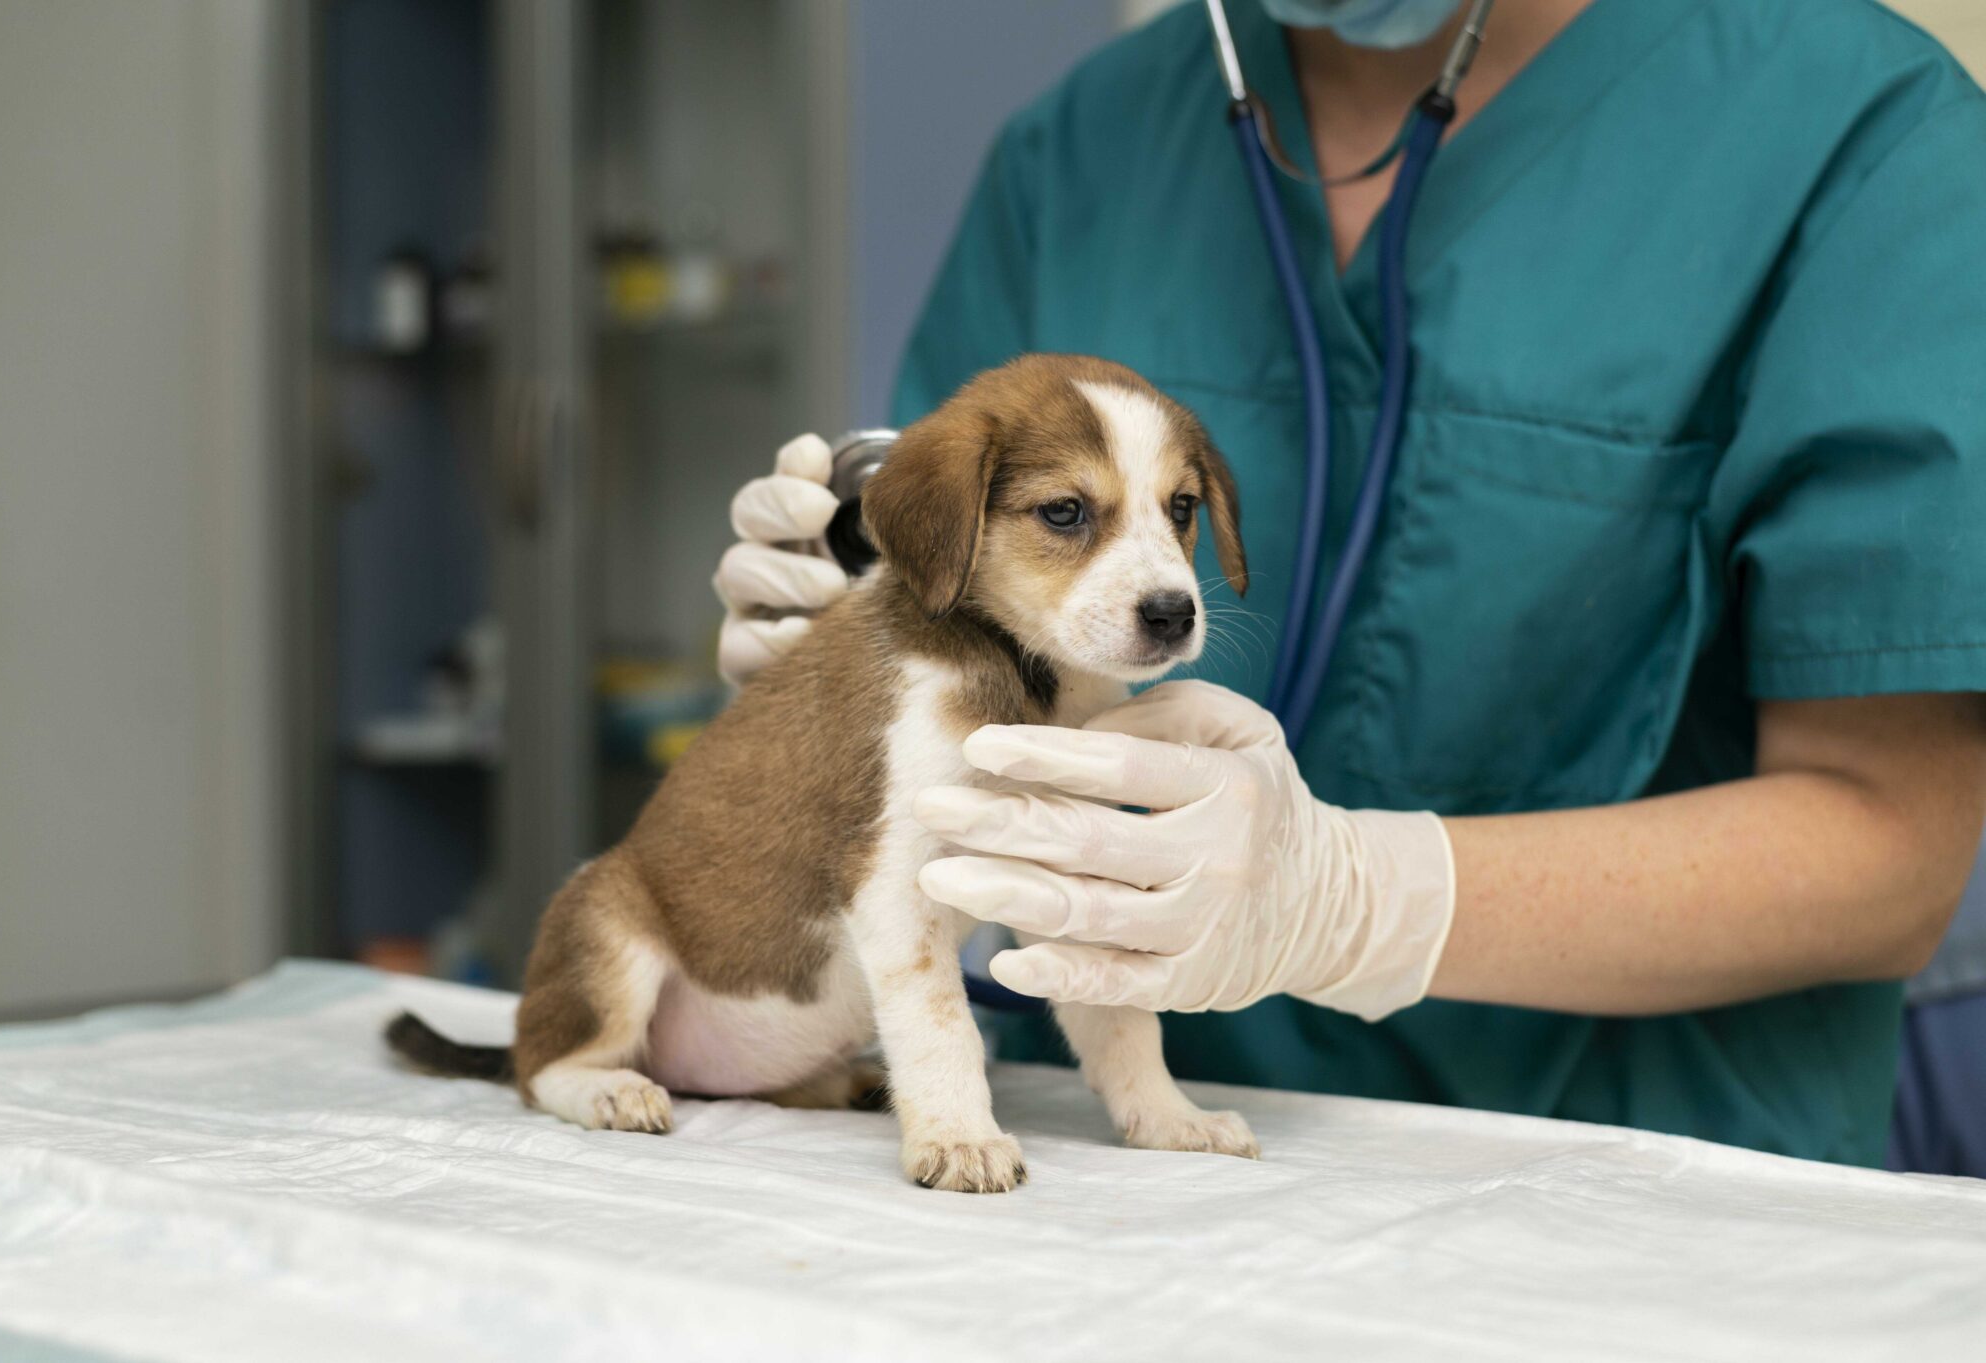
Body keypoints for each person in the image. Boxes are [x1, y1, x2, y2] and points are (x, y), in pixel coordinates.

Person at [714, 0, 1986, 1167]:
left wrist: (1354, 901)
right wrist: (852, 654)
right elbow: (951, 598)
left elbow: (1890, 852)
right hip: (1122, 1163)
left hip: (1634, 1180)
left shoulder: (1853, 132)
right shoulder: (1082, 147)